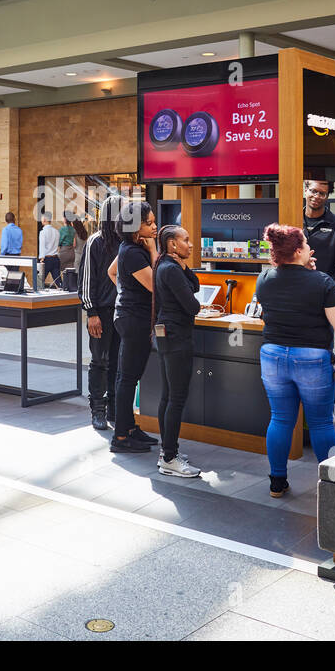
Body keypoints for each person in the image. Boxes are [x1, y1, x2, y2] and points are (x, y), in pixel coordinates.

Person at [255, 223, 335, 497]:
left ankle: (277, 482)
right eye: (307, 244)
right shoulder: (322, 281)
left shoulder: (264, 279)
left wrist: (308, 272)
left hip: (273, 355)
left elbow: (284, 299)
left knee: (280, 419)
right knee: (322, 422)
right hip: (311, 358)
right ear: (299, 251)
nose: (311, 248)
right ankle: (330, 487)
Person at [107, 200, 160, 453]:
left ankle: (129, 427)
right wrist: (153, 251)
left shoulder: (127, 247)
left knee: (128, 376)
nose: (154, 227)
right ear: (134, 226)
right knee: (128, 378)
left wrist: (123, 292)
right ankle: (120, 437)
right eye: (148, 223)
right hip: (134, 319)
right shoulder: (134, 252)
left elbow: (112, 272)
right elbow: (156, 285)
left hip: (129, 316)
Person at [152, 224, 203, 477]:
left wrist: (184, 267)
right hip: (176, 338)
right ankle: (169, 457)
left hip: (168, 336)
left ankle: (167, 452)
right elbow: (193, 305)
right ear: (173, 244)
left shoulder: (168, 265)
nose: (190, 244)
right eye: (186, 240)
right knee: (176, 398)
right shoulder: (169, 269)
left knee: (169, 396)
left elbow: (194, 284)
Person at [79, 197, 122, 430]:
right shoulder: (95, 242)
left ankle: (115, 408)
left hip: (122, 313)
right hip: (101, 313)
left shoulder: (126, 241)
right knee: (99, 361)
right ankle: (98, 409)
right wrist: (91, 312)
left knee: (118, 361)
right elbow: (86, 282)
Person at [302, 179, 335, 289]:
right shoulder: (292, 221)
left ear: (327, 196)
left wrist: (328, 288)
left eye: (322, 193)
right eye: (313, 191)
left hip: (323, 295)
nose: (317, 196)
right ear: (305, 190)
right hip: (295, 291)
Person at [38, 214, 61, 287]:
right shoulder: (56, 231)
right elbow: (57, 245)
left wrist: (41, 258)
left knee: (39, 281)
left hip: (46, 259)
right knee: (59, 281)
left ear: (44, 219)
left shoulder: (43, 232)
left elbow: (42, 246)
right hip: (55, 258)